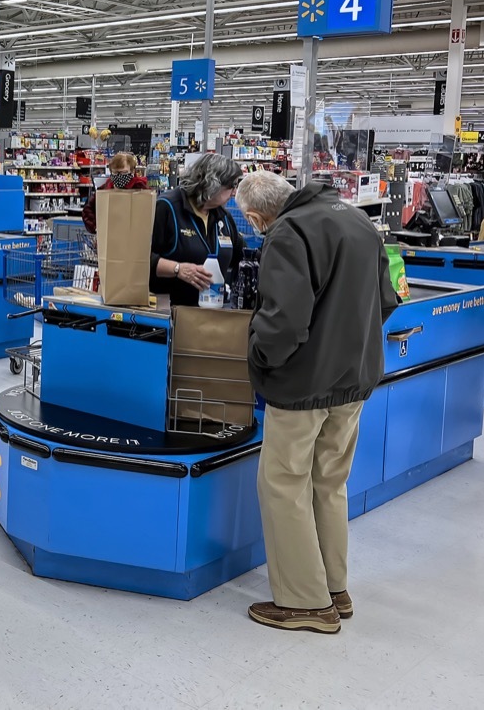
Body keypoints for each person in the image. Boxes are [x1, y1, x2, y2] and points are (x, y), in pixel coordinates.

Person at [235, 171, 399, 635]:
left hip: (303, 385)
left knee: (283, 485)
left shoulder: (289, 232)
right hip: (355, 379)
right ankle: (334, 589)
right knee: (329, 483)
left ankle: (305, 603)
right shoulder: (356, 218)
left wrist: (261, 360)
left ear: (255, 216)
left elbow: (283, 323)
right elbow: (387, 300)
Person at [150, 153, 243, 307]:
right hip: (171, 312)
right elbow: (141, 259)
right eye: (231, 186)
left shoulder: (223, 216)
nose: (234, 192)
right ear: (213, 184)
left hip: (212, 313)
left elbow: (241, 255)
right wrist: (177, 269)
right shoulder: (167, 207)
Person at [81, 152, 150, 234]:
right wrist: (96, 227)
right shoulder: (105, 188)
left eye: (124, 173)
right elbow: (88, 209)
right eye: (115, 173)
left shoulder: (140, 188)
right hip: (109, 237)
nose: (119, 176)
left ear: (132, 171)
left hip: (133, 238)